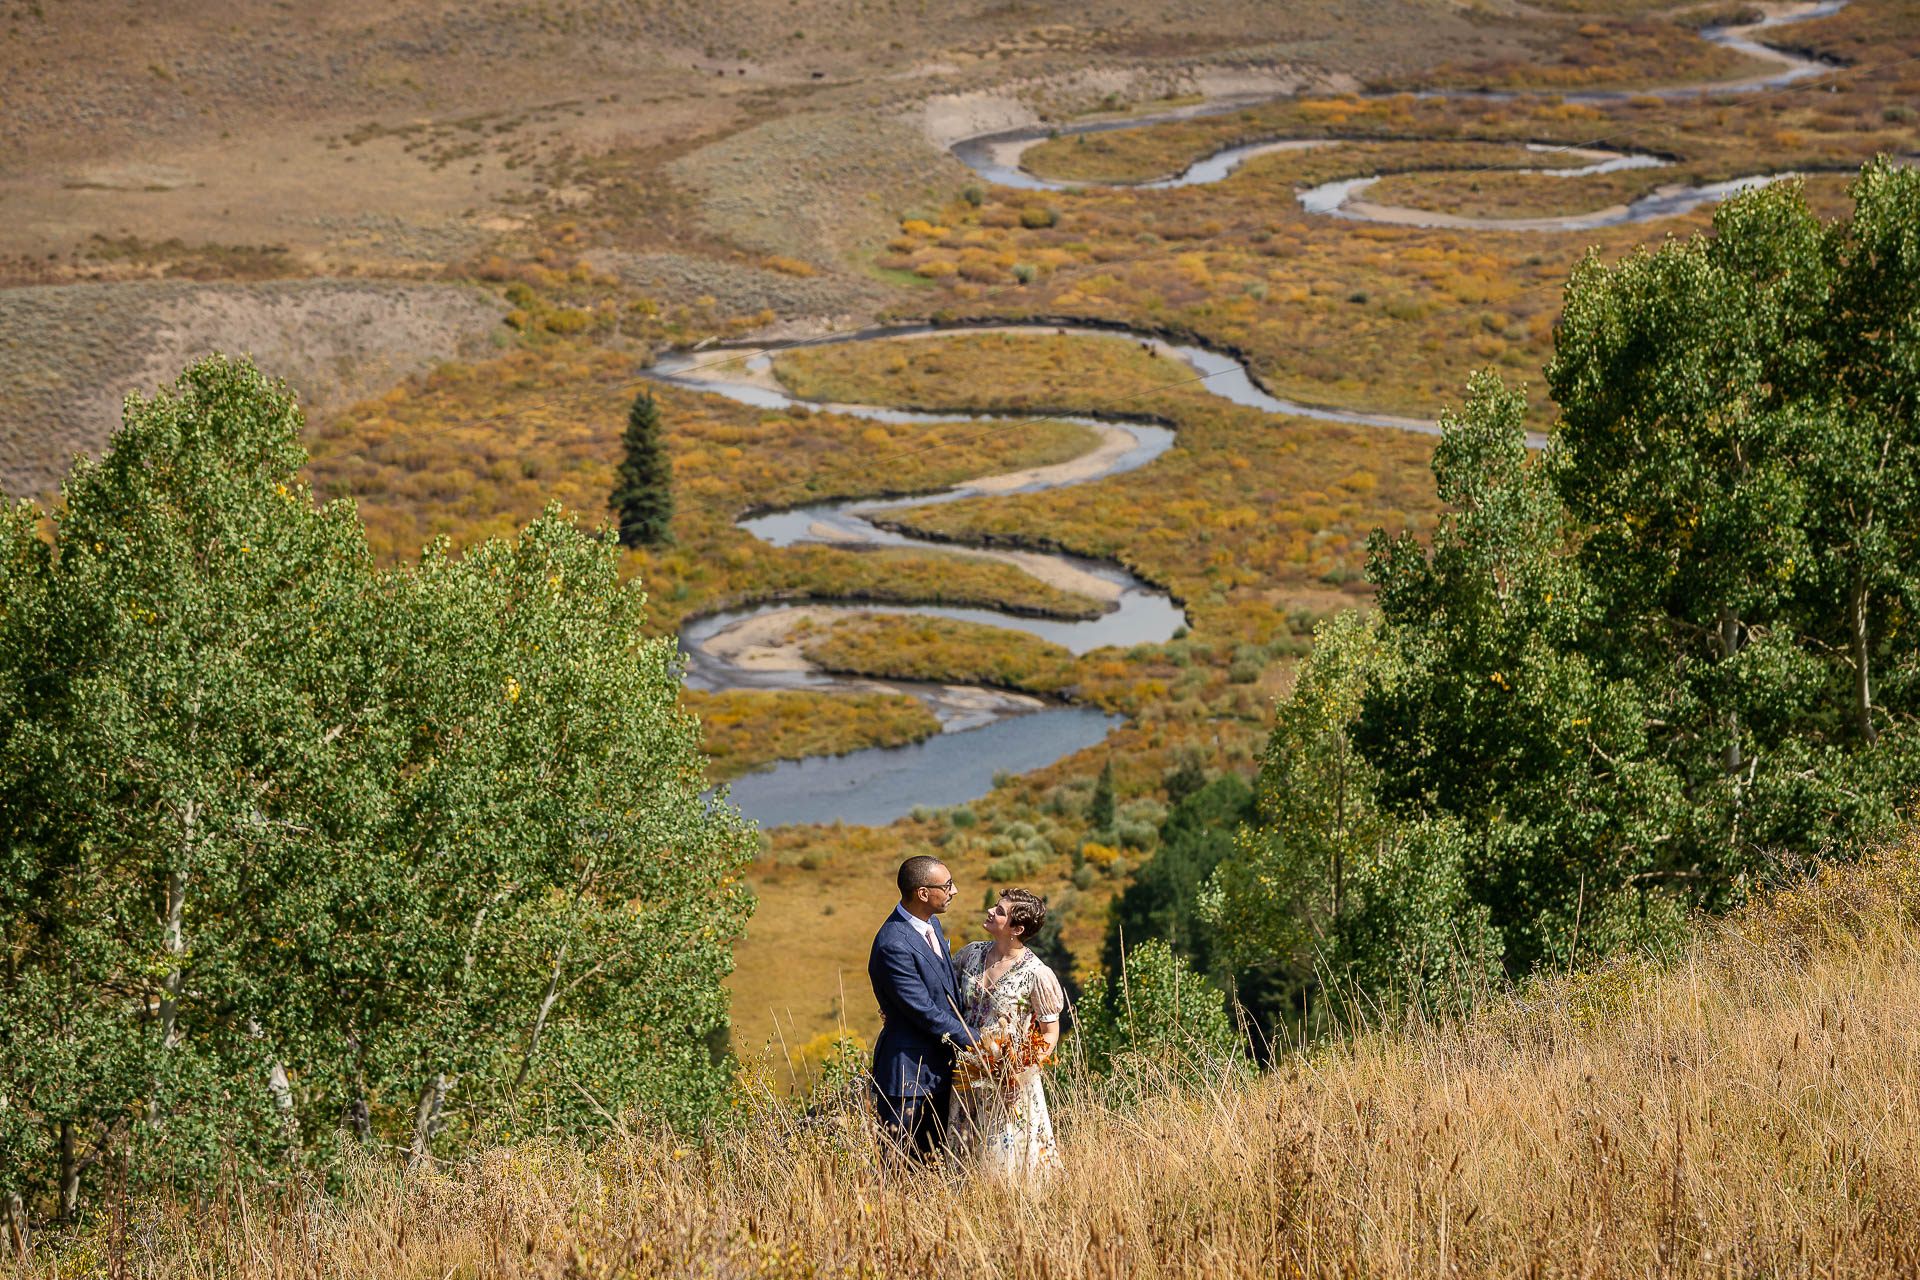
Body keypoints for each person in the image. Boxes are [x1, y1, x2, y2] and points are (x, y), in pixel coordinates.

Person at [947, 888, 1065, 1183]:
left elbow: (1050, 1032)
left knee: (1006, 1159)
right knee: (963, 1153)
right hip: (966, 1074)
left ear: (1017, 929)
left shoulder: (1037, 974)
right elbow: (939, 993)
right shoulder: (970, 954)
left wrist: (1019, 1071)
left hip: (1008, 1080)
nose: (990, 911)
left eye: (1000, 911)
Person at [867, 854, 970, 1161]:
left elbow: (943, 988)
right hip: (908, 1075)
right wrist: (977, 1040)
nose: (954, 891)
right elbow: (923, 1010)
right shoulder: (893, 943)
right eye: (947, 885)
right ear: (923, 893)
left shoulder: (931, 924)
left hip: (938, 1069)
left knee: (936, 1162)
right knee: (900, 1165)